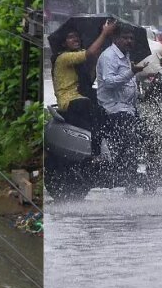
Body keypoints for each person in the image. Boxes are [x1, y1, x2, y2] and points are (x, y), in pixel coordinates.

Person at [52, 19, 116, 153]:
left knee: (105, 111)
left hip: (80, 98)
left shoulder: (76, 61)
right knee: (96, 114)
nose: (75, 39)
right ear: (64, 43)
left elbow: (89, 80)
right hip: (70, 101)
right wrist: (104, 33)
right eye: (70, 37)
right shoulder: (64, 58)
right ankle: (95, 155)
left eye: (76, 36)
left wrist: (93, 64)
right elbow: (89, 53)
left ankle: (110, 150)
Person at [96, 24, 148, 187]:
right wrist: (131, 72)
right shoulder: (109, 56)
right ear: (115, 38)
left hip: (128, 108)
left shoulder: (126, 55)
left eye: (131, 38)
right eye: (124, 38)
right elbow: (109, 82)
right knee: (130, 139)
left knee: (146, 135)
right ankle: (126, 176)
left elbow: (129, 82)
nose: (128, 41)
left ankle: (139, 173)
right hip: (113, 108)